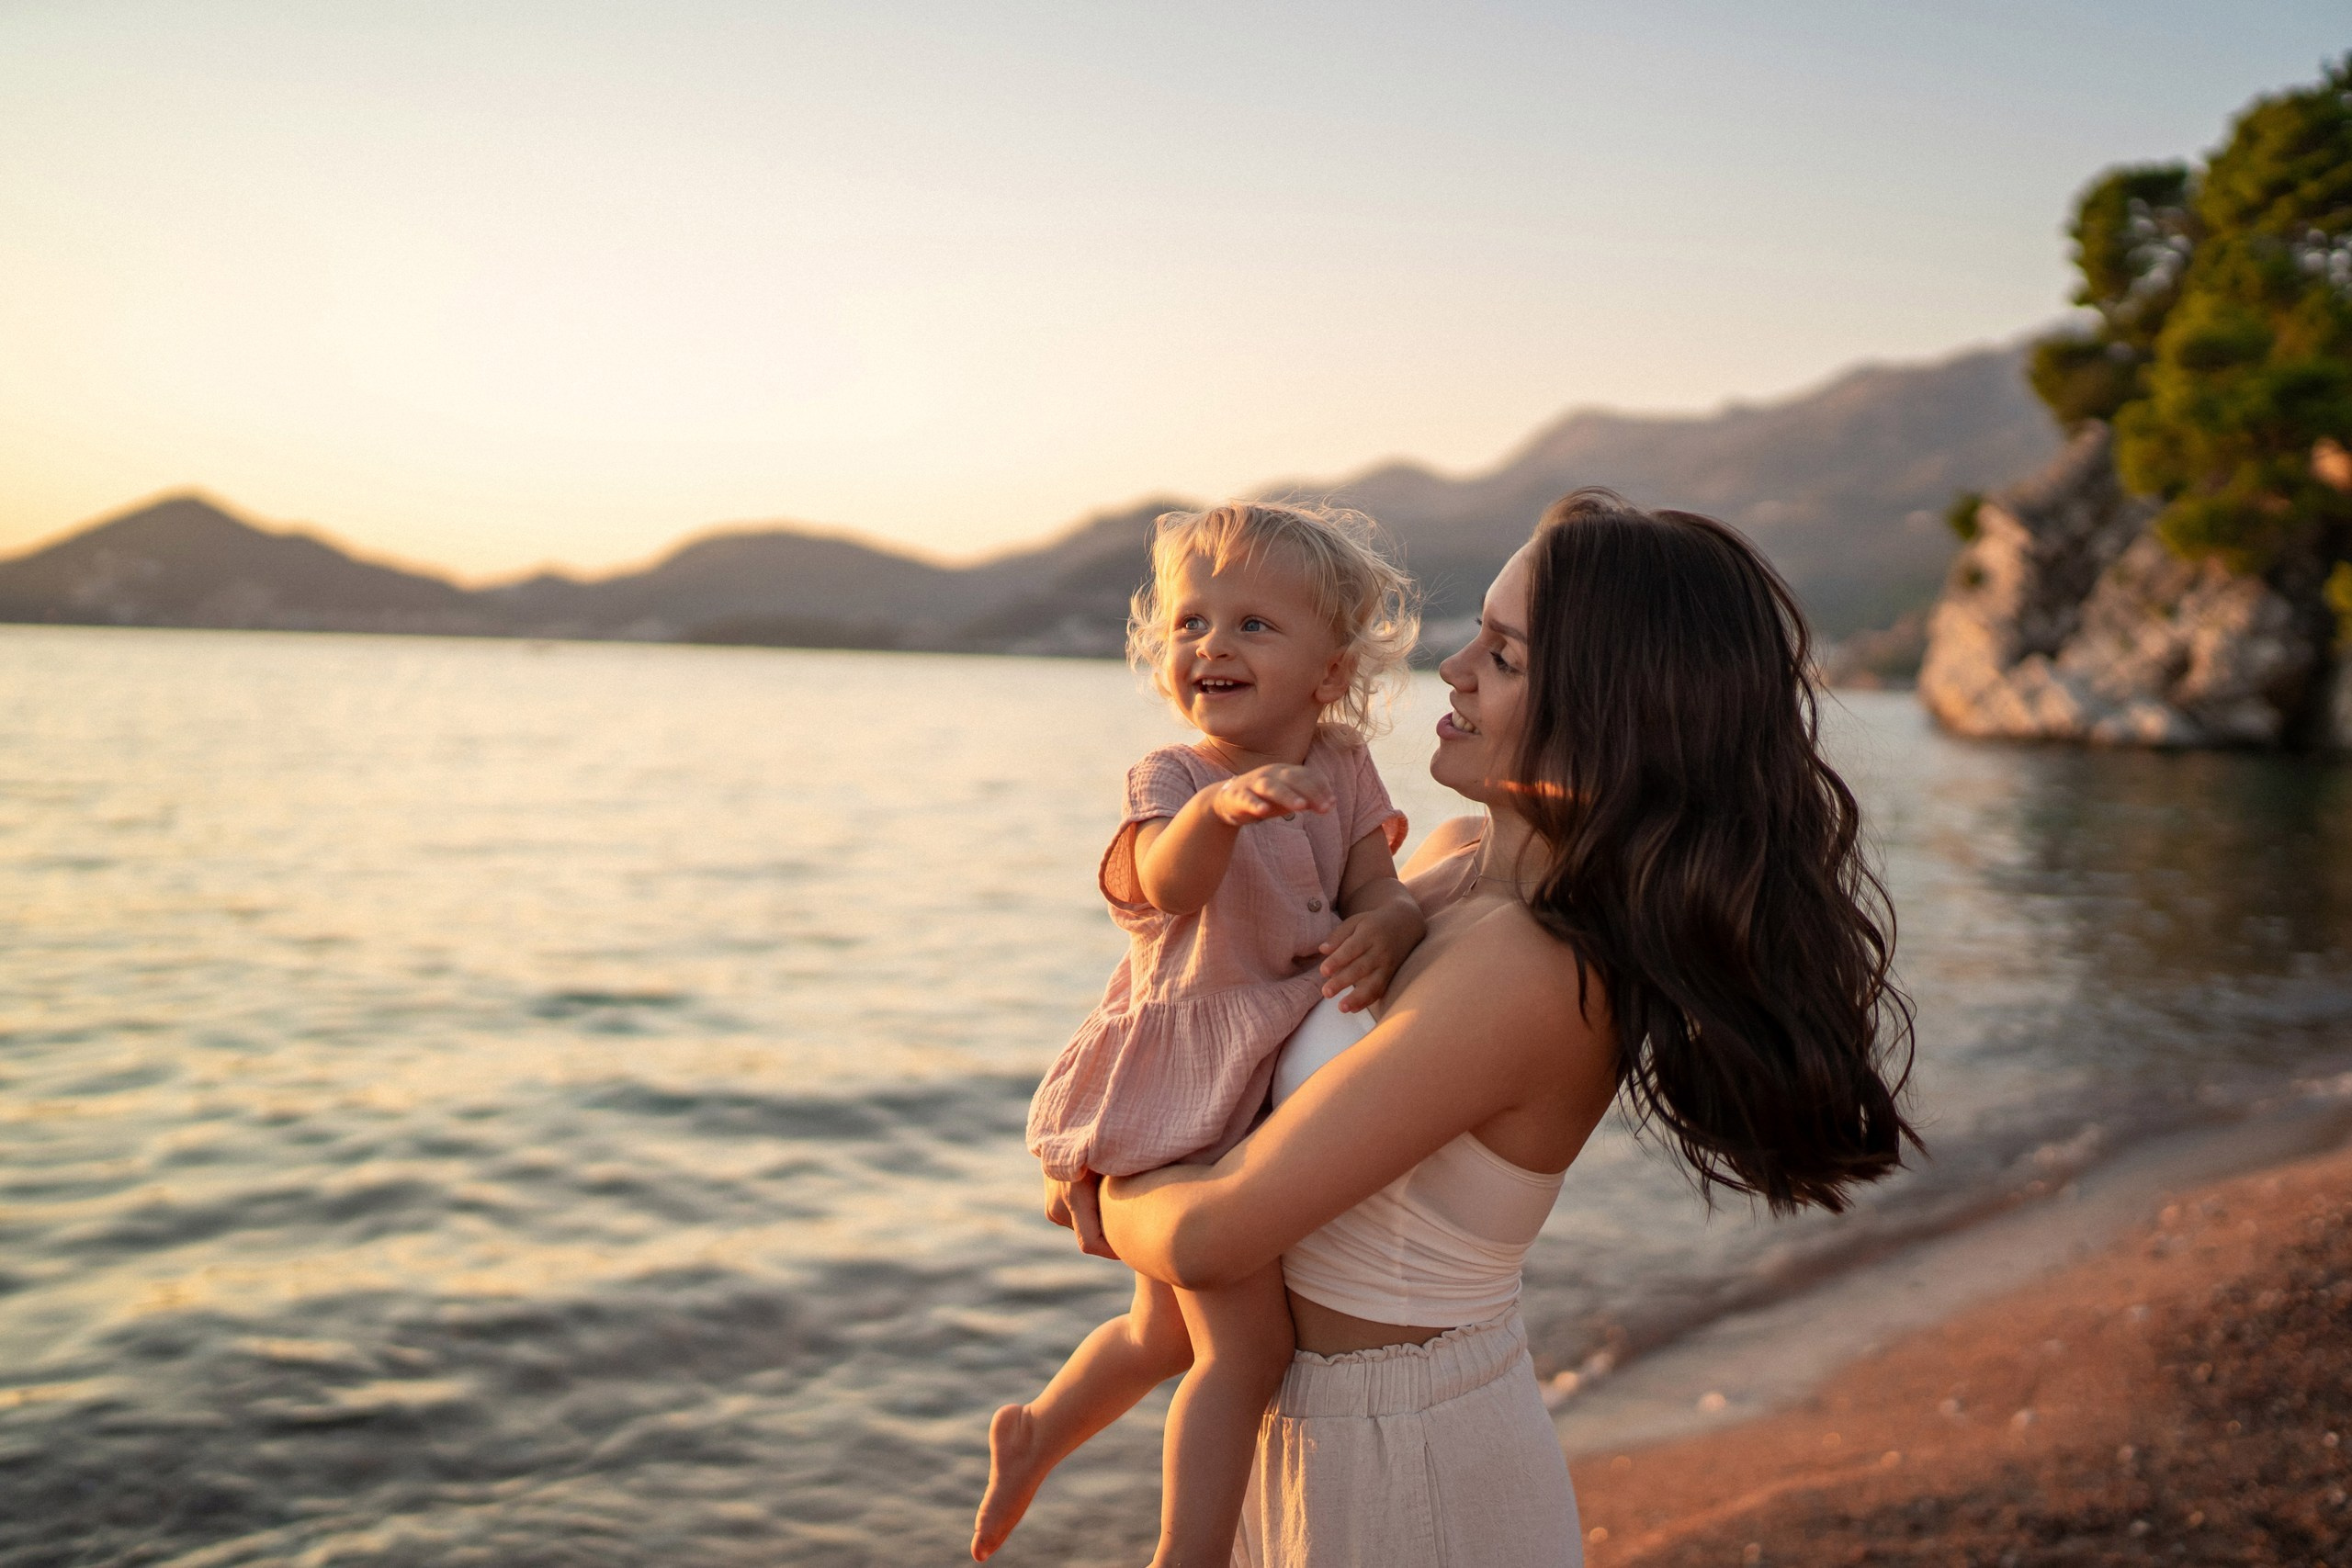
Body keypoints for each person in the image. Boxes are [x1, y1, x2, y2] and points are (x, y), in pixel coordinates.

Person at [1082, 490, 1919, 1567]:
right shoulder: (1441, 866)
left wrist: (1095, 1173)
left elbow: (1209, 1235)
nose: (1453, 669)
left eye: (1506, 656)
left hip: (1404, 1474)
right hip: (1310, 1433)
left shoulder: (1535, 966)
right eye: (1476, 632)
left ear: (1615, 709)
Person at [974, 502, 1428, 1566]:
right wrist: (1221, 815)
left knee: (1162, 1335)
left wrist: (1389, 928)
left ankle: (1036, 1431)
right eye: (1189, 623)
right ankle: (1190, 1556)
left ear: (1328, 673)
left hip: (1261, 1071)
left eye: (1252, 626)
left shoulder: (1346, 763)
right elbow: (1164, 888)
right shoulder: (1174, 780)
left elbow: (1378, 888)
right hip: (1185, 1082)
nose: (1211, 645)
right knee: (1246, 1350)